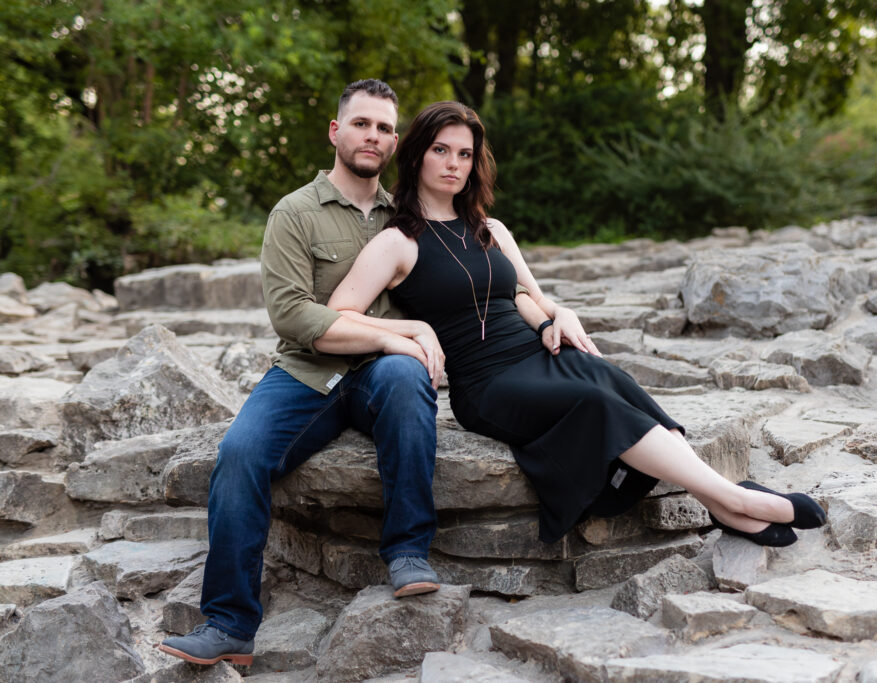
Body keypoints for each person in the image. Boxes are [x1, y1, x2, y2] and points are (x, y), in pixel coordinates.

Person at [327, 100, 827, 553]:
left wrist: (559, 315)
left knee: (612, 378)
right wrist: (412, 330)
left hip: (534, 352)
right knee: (595, 404)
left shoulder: (492, 230)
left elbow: (529, 297)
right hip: (487, 384)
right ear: (416, 156)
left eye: (464, 153)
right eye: (441, 150)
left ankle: (722, 504)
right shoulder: (397, 242)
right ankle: (734, 498)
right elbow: (339, 311)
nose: (454, 164)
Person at [158, 79, 444, 667]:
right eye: (362, 124)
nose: (374, 136)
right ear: (336, 131)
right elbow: (292, 315)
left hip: (380, 375)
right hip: (305, 372)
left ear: (395, 142)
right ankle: (230, 624)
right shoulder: (295, 212)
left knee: (407, 378)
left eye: (385, 128)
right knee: (239, 452)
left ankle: (409, 553)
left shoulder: (409, 216)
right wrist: (403, 331)